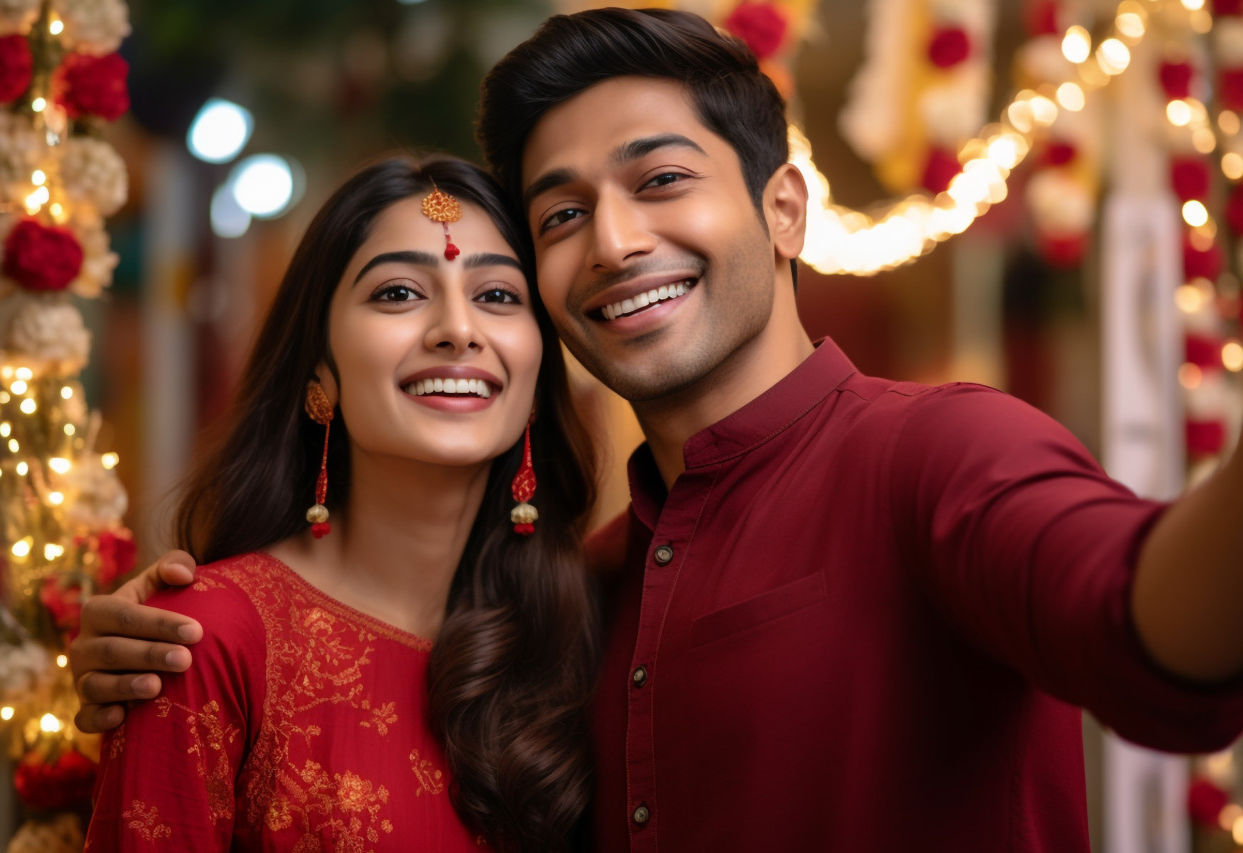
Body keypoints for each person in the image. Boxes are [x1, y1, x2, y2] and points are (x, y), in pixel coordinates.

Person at [72, 8, 1243, 852]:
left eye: (661, 179)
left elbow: (1143, 626)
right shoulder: (578, 598)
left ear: (782, 209)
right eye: (564, 213)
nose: (617, 242)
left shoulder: (937, 455)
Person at [81, 154, 597, 851]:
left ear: (539, 372)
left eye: (499, 296)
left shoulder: (575, 631)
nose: (458, 328)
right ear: (319, 370)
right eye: (398, 293)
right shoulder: (205, 640)